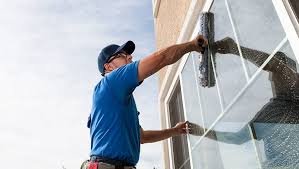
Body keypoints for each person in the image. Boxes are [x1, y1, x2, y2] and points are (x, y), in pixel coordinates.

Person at [80, 35, 207, 169]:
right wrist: (192, 45)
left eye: (129, 54)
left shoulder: (118, 99)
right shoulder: (112, 81)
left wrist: (175, 131)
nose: (129, 57)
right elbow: (161, 58)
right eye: (122, 55)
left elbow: (142, 137)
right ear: (109, 67)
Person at [191, 37, 299, 169]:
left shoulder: (277, 109)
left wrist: (235, 48)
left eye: (274, 74)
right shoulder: (280, 107)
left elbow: (237, 138)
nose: (271, 79)